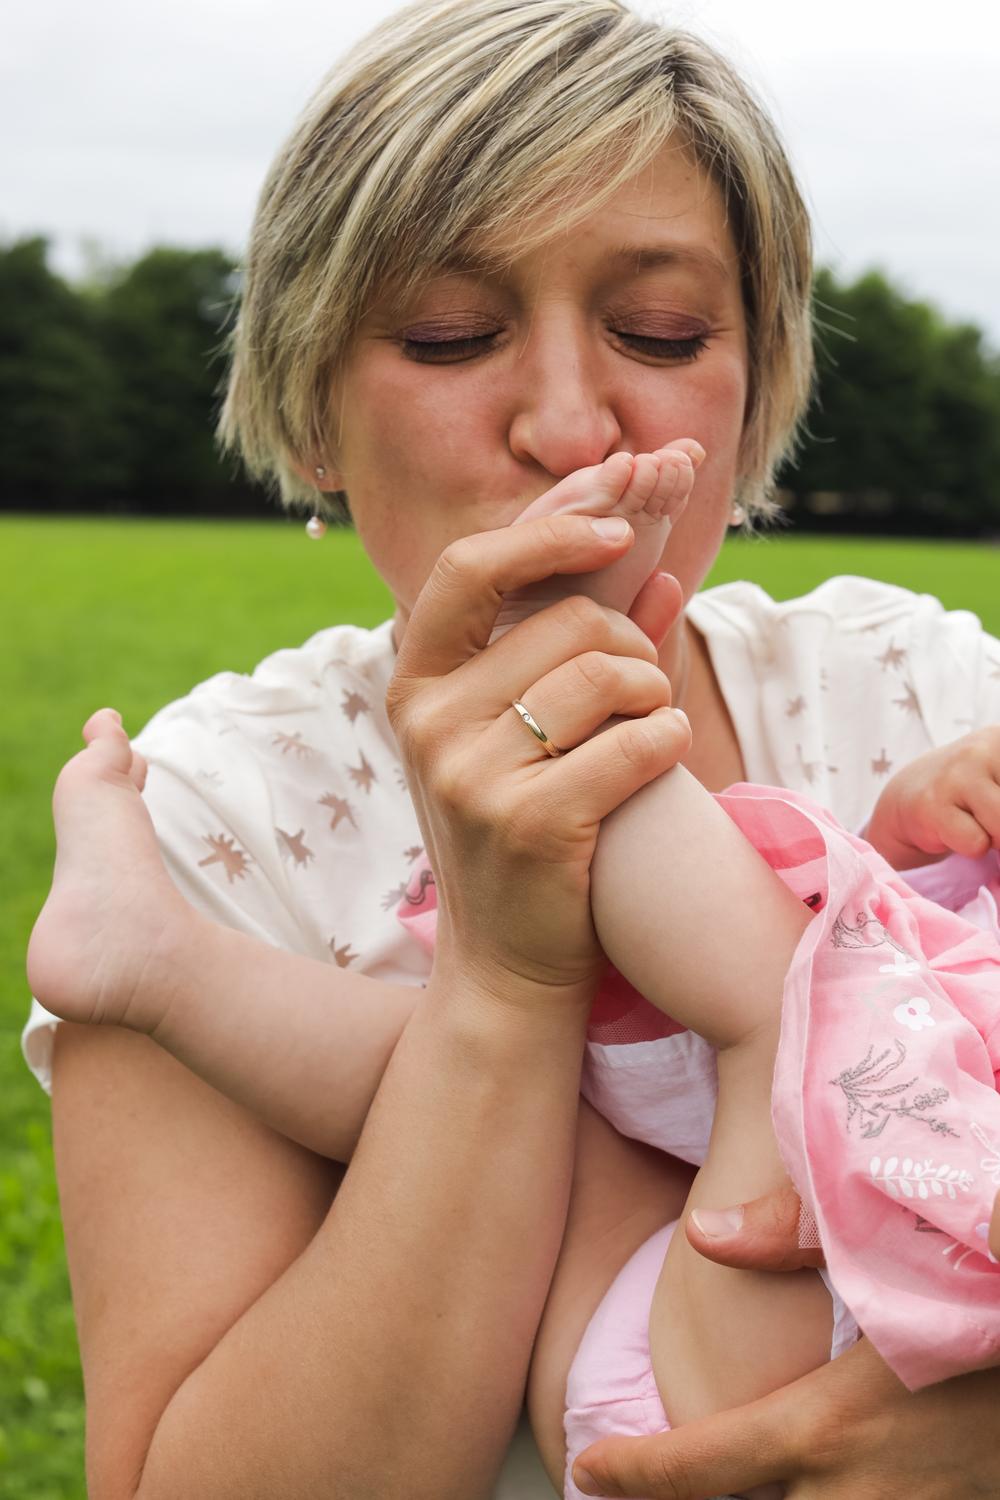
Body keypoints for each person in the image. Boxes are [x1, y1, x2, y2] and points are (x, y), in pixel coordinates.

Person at [20, 1, 1000, 1495]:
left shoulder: (918, 685)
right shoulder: (213, 815)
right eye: (450, 336)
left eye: (661, 332)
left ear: (756, 384)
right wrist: (505, 982)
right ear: (315, 417)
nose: (567, 422)